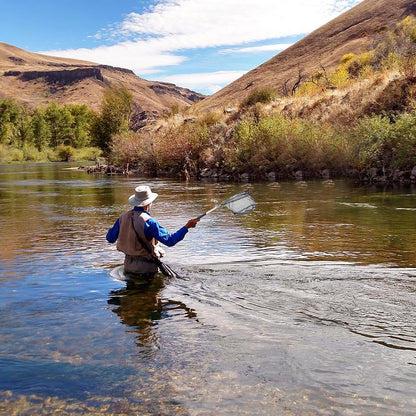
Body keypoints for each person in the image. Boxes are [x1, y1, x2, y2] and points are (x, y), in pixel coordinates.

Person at [106, 185, 199, 277]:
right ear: (148, 204)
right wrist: (187, 227)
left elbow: (110, 238)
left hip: (128, 267)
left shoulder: (122, 218)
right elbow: (170, 241)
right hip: (147, 269)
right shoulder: (149, 222)